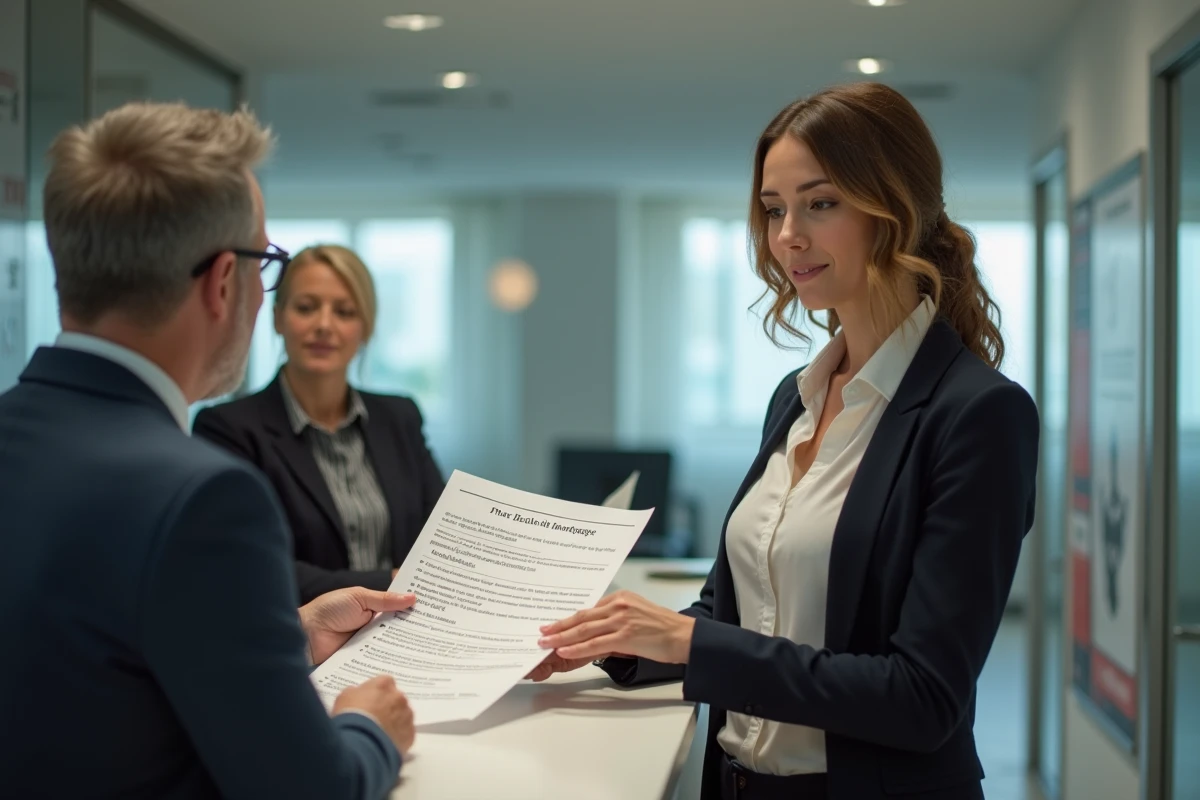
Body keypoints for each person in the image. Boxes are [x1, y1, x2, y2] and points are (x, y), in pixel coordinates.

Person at [531, 82, 1040, 800]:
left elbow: (924, 698)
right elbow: (732, 616)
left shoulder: (979, 414)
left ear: (894, 207)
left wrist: (691, 643)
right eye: (774, 210)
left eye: (820, 203)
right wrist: (613, 641)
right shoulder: (793, 398)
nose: (787, 236)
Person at [0, 102, 417, 799]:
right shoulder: (202, 496)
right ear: (225, 281)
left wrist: (290, 633)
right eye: (269, 264)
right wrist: (367, 726)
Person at [193, 244, 445, 604]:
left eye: (344, 312)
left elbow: (441, 535)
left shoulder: (399, 417)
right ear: (278, 318)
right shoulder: (227, 429)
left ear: (365, 328)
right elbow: (244, 562)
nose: (324, 325)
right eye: (306, 307)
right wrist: (387, 582)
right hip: (296, 645)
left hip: (404, 638)